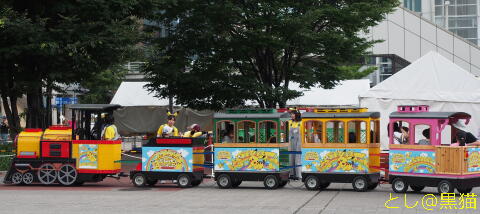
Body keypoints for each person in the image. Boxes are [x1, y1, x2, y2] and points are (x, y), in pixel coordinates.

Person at [289, 109, 302, 179]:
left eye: (293, 114)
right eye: (291, 114)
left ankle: (298, 175)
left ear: (296, 115)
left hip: (299, 142)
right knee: (291, 157)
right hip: (291, 141)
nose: (291, 115)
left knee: (297, 158)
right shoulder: (290, 122)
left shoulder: (301, 122)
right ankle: (291, 174)